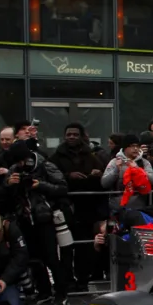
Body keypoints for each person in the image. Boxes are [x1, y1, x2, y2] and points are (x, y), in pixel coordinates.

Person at [0, 140, 71, 305]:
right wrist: (8, 185)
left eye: (23, 160)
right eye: (18, 161)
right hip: (25, 219)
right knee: (34, 259)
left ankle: (61, 293)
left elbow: (63, 188)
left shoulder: (45, 166)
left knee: (52, 257)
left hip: (46, 219)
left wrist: (40, 185)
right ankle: (44, 291)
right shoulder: (14, 171)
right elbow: (1, 198)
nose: (22, 164)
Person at [52, 122, 106, 293]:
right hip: (66, 206)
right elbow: (52, 176)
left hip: (86, 208)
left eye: (75, 134)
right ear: (64, 136)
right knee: (66, 246)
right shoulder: (57, 156)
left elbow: (102, 176)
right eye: (69, 134)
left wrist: (97, 174)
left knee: (84, 247)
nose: (72, 137)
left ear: (81, 136)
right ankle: (67, 280)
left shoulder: (91, 155)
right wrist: (69, 176)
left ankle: (83, 279)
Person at [102, 134, 153, 210]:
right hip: (117, 205)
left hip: (140, 206)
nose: (135, 148)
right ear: (125, 147)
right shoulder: (115, 162)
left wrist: (137, 169)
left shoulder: (144, 162)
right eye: (132, 146)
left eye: (137, 146)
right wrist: (116, 170)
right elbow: (104, 183)